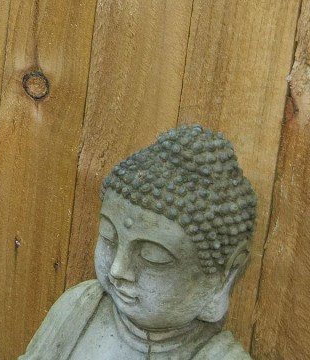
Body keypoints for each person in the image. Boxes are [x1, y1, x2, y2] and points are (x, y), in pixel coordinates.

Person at [21, 125, 258, 360]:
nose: (117, 270)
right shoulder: (78, 307)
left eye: (152, 257)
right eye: (108, 237)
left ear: (224, 276)